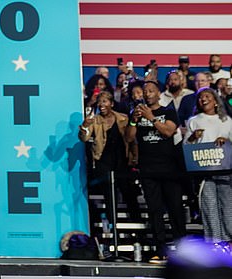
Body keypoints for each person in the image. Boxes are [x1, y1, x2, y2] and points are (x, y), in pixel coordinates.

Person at [125, 81, 186, 263]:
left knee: (175, 209)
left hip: (169, 169)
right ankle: (161, 250)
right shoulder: (136, 112)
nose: (148, 93)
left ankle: (183, 251)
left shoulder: (168, 111)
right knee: (154, 211)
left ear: (159, 93)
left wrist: (151, 117)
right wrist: (133, 120)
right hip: (148, 169)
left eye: (151, 91)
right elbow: (129, 138)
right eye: (145, 91)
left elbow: (168, 132)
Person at [78, 91, 140, 223]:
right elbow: (84, 138)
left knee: (127, 191)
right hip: (103, 161)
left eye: (104, 101)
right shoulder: (94, 121)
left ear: (111, 103)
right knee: (109, 193)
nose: (101, 105)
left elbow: (132, 139)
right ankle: (113, 225)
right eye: (99, 102)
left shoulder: (123, 118)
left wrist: (134, 156)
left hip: (122, 161)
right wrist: (84, 126)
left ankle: (137, 221)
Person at [184, 88, 232, 244]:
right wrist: (192, 137)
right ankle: (215, 243)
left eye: (207, 96)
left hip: (225, 170)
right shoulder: (194, 120)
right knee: (209, 206)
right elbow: (186, 146)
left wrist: (226, 141)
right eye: (200, 97)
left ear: (216, 101)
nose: (203, 99)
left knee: (227, 206)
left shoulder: (227, 121)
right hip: (204, 171)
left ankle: (229, 241)